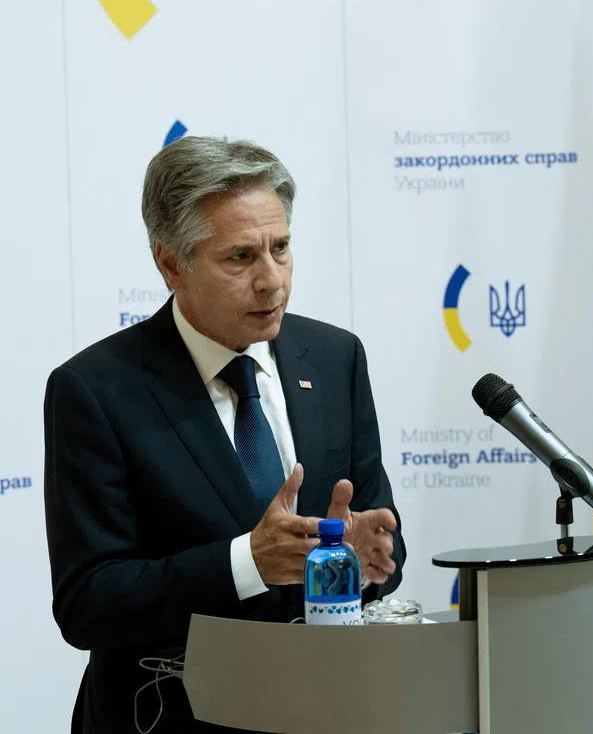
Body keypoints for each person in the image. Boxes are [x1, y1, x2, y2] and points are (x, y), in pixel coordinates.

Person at [43, 136, 407, 733]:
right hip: (167, 717)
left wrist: (367, 561)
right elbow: (89, 601)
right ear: (170, 264)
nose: (272, 281)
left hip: (324, 712)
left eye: (282, 248)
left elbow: (382, 551)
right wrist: (247, 563)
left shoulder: (335, 358)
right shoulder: (96, 390)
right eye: (241, 257)